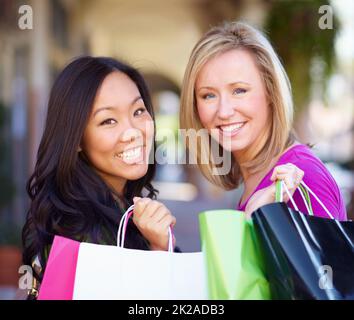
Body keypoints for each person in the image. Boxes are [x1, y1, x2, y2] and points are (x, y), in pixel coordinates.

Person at [22, 56, 176, 299]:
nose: (133, 132)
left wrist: (159, 244)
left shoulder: (121, 208)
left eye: (138, 111)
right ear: (76, 139)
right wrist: (159, 251)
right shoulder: (79, 234)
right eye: (108, 121)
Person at [180, 21, 347, 220]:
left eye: (239, 91)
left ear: (270, 92)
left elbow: (325, 252)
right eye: (208, 95)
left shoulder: (301, 179)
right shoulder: (259, 180)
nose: (224, 111)